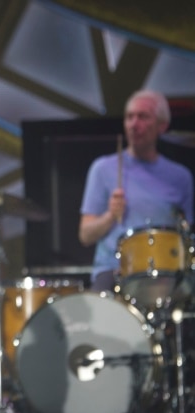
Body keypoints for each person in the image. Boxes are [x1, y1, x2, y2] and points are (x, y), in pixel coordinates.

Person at [79, 89, 194, 295]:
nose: (134, 124)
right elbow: (85, 235)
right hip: (113, 271)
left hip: (165, 273)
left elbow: (188, 235)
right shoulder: (103, 169)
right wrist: (109, 216)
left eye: (143, 117)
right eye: (129, 117)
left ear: (162, 125)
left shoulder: (180, 177)